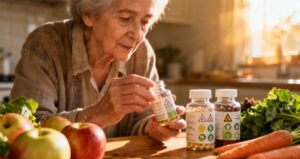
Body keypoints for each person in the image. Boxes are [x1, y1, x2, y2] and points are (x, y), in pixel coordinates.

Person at [10, 0, 186, 142]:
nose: (138, 35)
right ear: (89, 15)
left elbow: (141, 120)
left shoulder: (142, 53)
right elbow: (26, 131)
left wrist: (153, 128)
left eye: (145, 22)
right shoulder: (45, 44)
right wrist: (99, 114)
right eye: (125, 18)